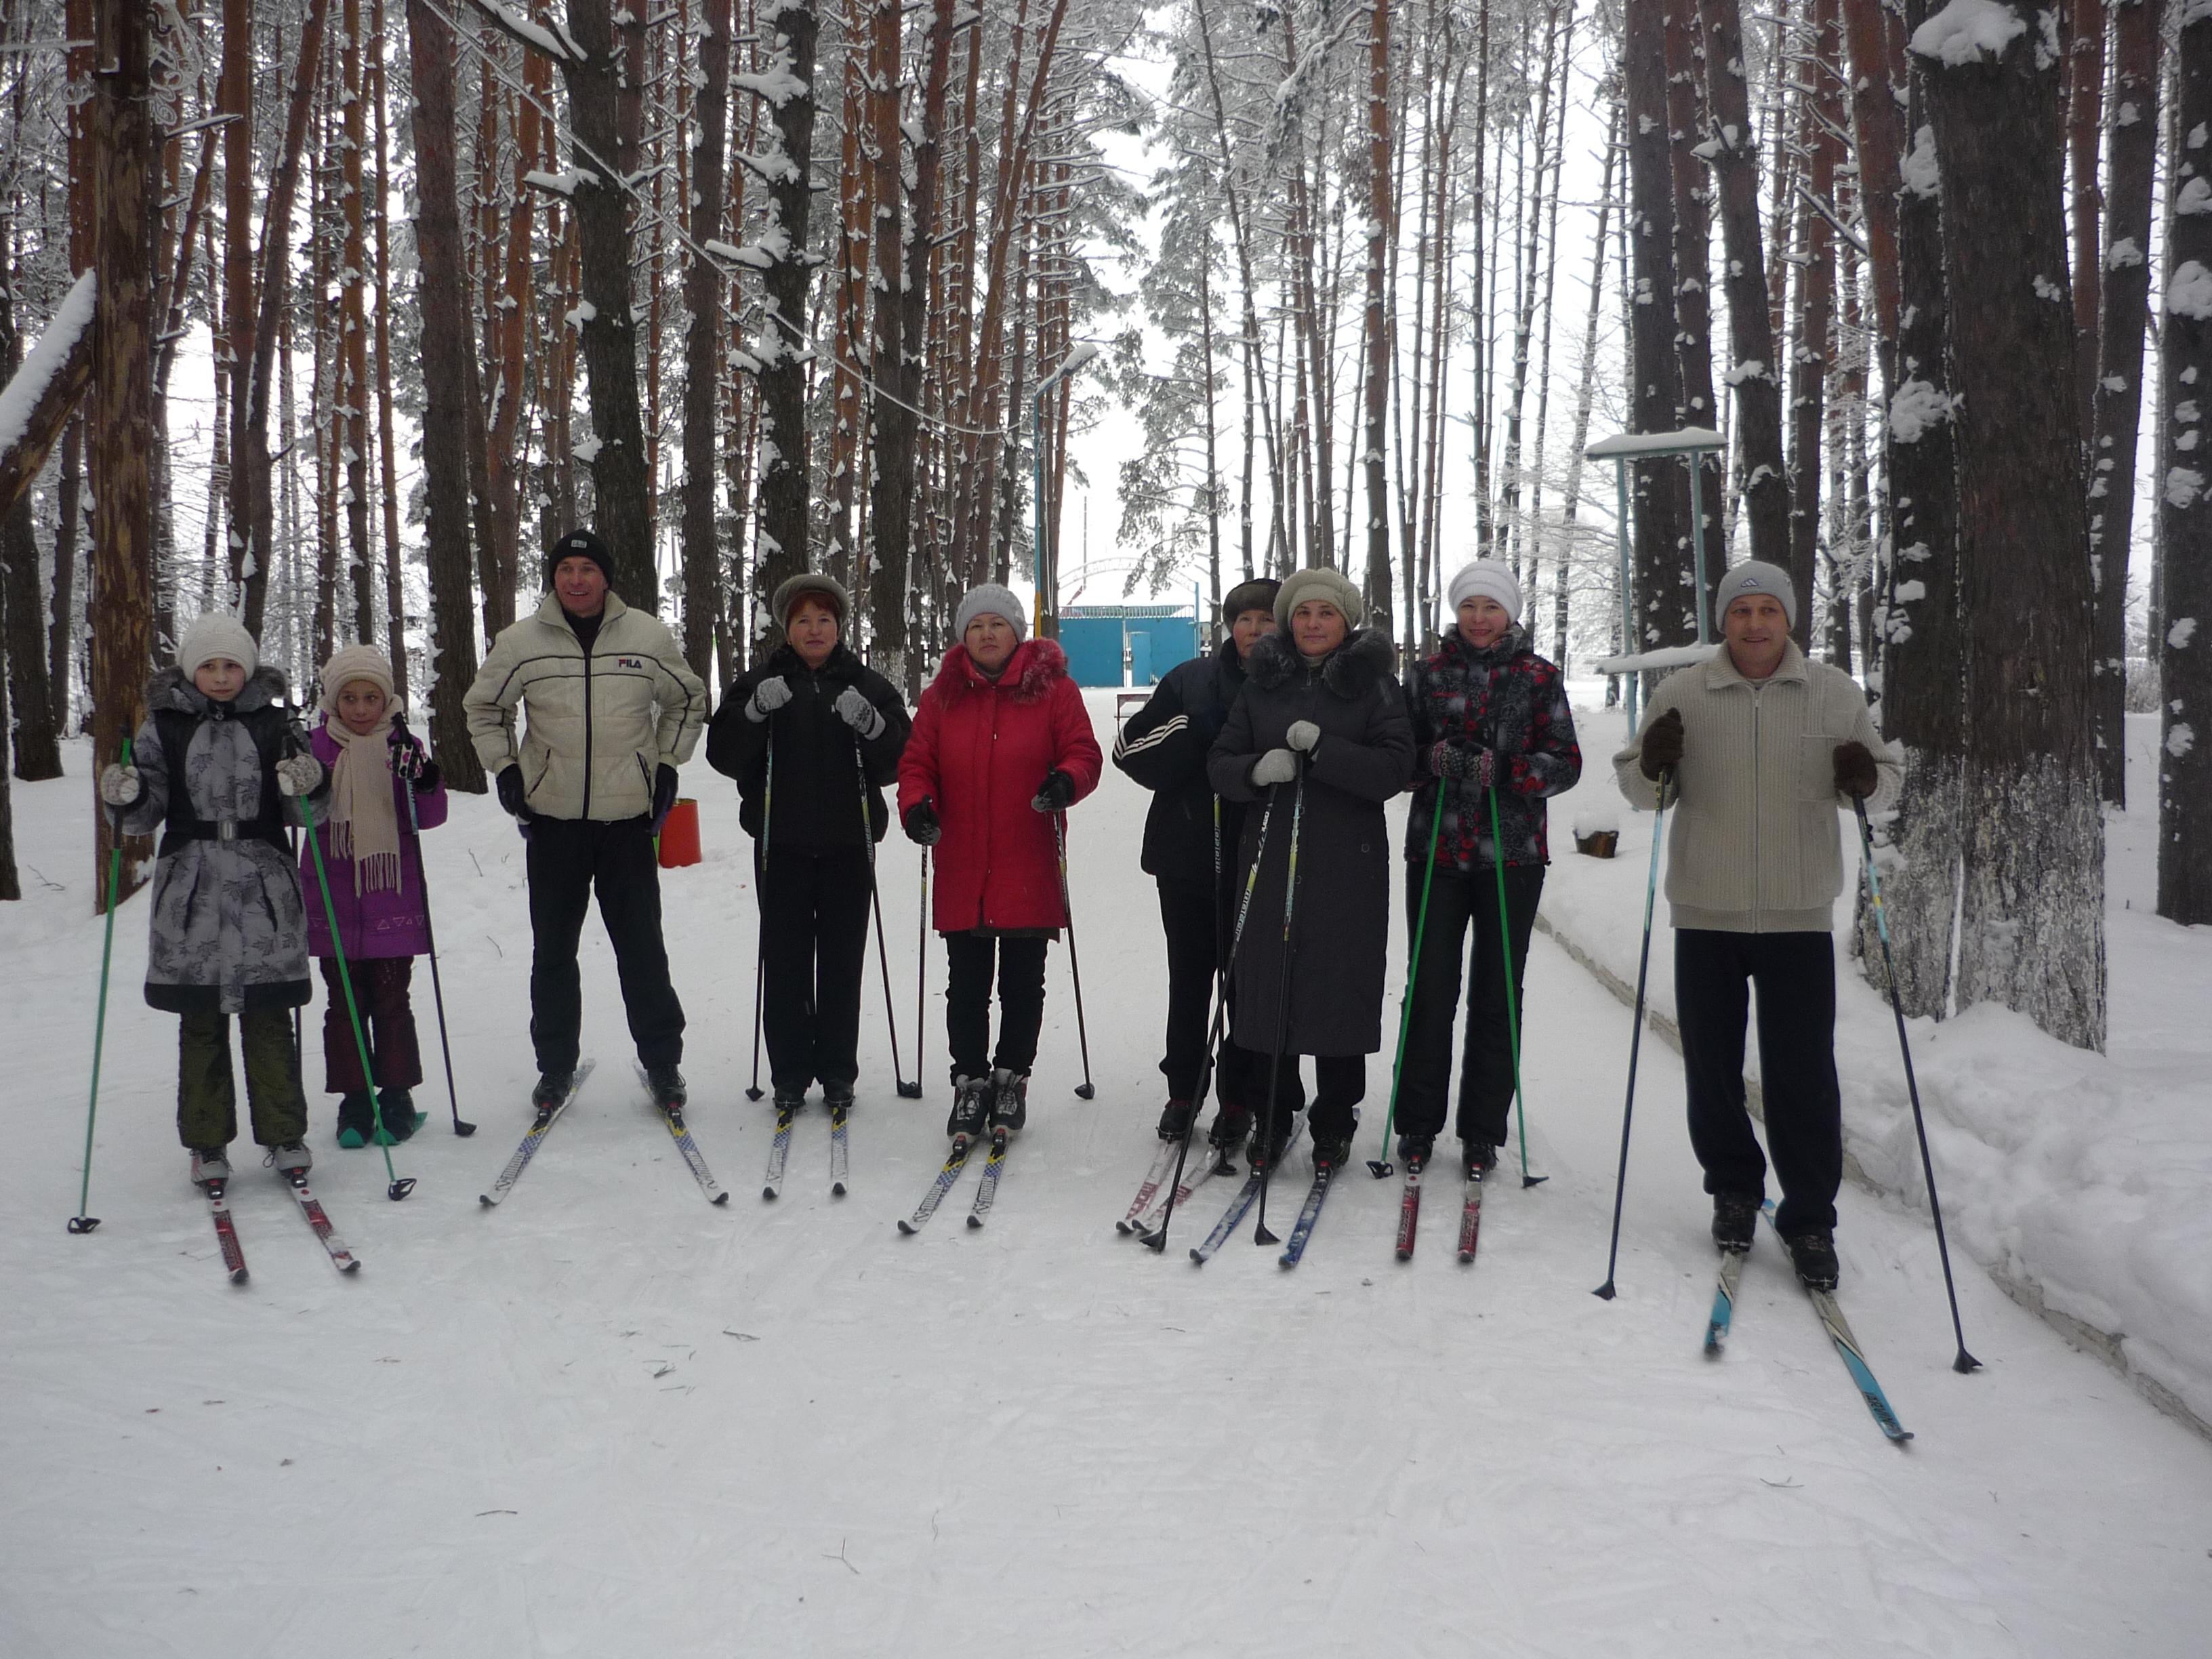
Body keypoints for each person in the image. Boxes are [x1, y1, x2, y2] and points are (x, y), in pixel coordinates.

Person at [1612, 559, 1899, 1289]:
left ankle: (1809, 1219)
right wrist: (1653, 762)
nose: (1755, 624)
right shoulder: (1684, 691)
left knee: (1802, 1073)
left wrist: (1863, 778)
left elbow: (1884, 782)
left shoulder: (1832, 693)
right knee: (1711, 1068)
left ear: (1789, 618)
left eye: (1769, 610)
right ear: (1723, 620)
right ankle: (1735, 1189)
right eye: (1742, 612)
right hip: (1707, 908)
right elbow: (1640, 790)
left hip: (1799, 913)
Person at [464, 529, 708, 1115]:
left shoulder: (646, 636)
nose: (576, 579)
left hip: (627, 821)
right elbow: (484, 707)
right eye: (566, 568)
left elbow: (687, 699)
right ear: (553, 577)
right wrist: (504, 767)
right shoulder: (521, 642)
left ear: (606, 577)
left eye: (587, 569)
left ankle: (663, 1065)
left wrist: (668, 765)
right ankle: (554, 1068)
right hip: (554, 824)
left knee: (642, 949)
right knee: (553, 951)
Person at [100, 613, 325, 1188]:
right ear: (191, 670)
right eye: (209, 666)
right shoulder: (163, 727)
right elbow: (142, 816)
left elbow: (306, 815)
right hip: (192, 892)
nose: (221, 677)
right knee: (200, 1022)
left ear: (247, 669)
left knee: (271, 1018)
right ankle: (207, 1142)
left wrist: (309, 782)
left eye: (231, 666)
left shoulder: (278, 725)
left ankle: (284, 1134)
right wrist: (125, 794)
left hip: (264, 888)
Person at [1206, 568, 1414, 1174]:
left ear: (1346, 622)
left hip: (1347, 864)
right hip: (1269, 860)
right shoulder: (1261, 683)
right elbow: (1220, 762)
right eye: (1302, 614)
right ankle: (1270, 1114)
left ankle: (1335, 1117)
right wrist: (1255, 771)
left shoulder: (1374, 686)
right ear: (1288, 621)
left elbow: (1394, 769)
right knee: (1270, 985)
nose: (1314, 624)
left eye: (1326, 614)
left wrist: (1325, 751)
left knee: (1338, 986)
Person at [1395, 560, 1582, 1179]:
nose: (1479, 618)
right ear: (1456, 611)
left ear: (1510, 613)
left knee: (1498, 993)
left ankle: (1482, 1132)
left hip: (1512, 855)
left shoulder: (1537, 677)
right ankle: (1419, 1123)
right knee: (1429, 988)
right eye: (1469, 606)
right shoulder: (1426, 676)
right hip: (1438, 853)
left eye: (1491, 607)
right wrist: (1432, 759)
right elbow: (1399, 759)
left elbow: (1564, 763)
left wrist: (1503, 770)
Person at [897, 583, 1103, 1141]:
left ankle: (1012, 1078)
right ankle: (969, 1082)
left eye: (998, 625)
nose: (987, 635)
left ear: (1017, 632)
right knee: (965, 985)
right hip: (961, 860)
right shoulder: (942, 697)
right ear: (964, 637)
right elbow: (917, 764)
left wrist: (1067, 781)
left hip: (1027, 858)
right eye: (976, 626)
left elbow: (1083, 752)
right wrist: (916, 807)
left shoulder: (1054, 691)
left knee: (1022, 983)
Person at [705, 572, 912, 1115]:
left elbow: (900, 758)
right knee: (788, 963)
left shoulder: (865, 684)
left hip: (850, 843)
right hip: (782, 845)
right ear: (787, 628)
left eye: (824, 619)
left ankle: (839, 1073)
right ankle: (791, 1074)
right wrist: (752, 715)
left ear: (840, 626)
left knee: (843, 964)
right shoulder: (760, 683)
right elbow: (723, 754)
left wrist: (871, 724)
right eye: (803, 620)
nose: (814, 629)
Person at [1113, 577, 1291, 1153]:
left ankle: (1240, 1098)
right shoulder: (1191, 680)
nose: (1255, 631)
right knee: (1190, 981)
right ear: (1229, 627)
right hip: (1189, 855)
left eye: (1267, 620)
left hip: (1262, 862)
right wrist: (1191, 733)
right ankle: (1183, 1091)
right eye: (1244, 620)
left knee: (1248, 986)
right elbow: (1128, 751)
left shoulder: (1291, 683)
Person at [298, 644, 447, 1149]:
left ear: (387, 700)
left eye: (371, 698)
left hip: (391, 899)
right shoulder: (315, 748)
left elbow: (429, 816)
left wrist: (423, 779)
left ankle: (397, 1095)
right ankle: (355, 1100)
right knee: (342, 1004)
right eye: (349, 698)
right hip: (332, 899)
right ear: (332, 700)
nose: (360, 709)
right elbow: (292, 815)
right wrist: (294, 781)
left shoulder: (403, 745)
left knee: (390, 1001)